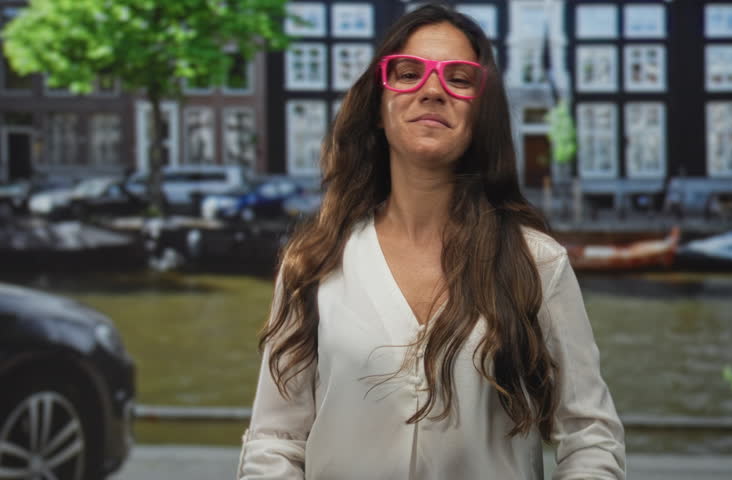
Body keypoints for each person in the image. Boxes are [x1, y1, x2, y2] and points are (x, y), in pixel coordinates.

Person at [238, 5, 625, 479]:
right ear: (379, 107)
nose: (434, 90)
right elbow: (275, 438)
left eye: (460, 79)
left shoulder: (538, 264)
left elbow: (589, 433)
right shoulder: (313, 262)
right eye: (408, 73)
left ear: (482, 113)